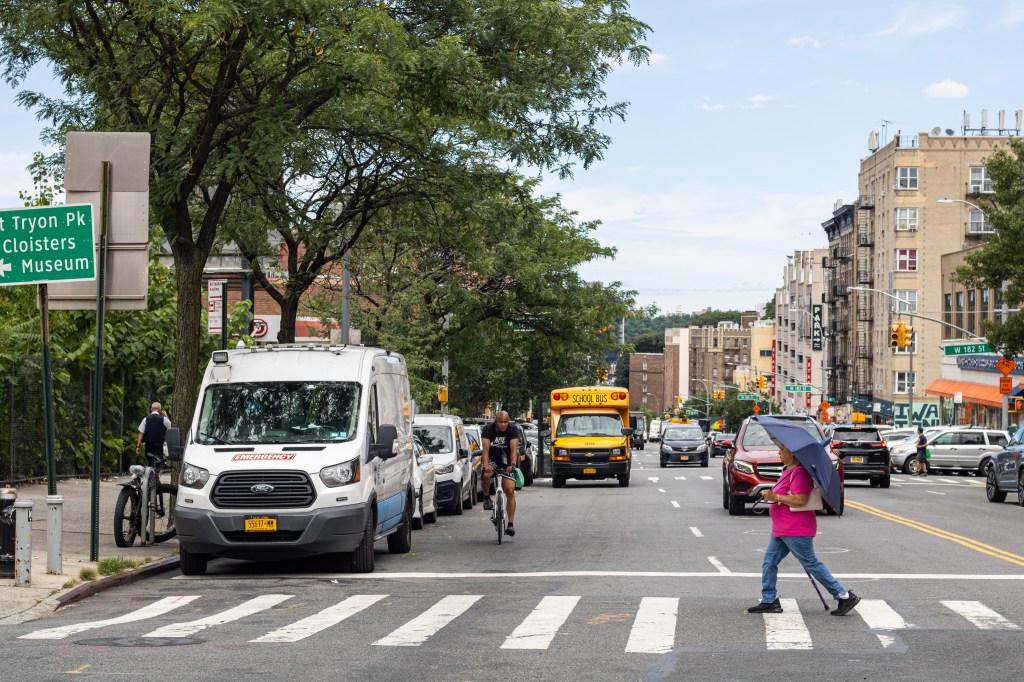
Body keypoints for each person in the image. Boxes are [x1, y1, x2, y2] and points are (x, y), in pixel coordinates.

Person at [747, 440, 860, 616]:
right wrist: (771, 495)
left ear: (792, 454)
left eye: (782, 450)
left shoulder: (799, 473)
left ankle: (844, 596)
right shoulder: (788, 471)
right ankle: (769, 600)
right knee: (769, 562)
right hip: (782, 529)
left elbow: (800, 500)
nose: (779, 453)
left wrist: (774, 496)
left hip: (795, 529)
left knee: (811, 564)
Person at [480, 411, 519, 536]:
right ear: (495, 421)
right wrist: (486, 465)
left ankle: (510, 524)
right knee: (486, 475)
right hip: (492, 460)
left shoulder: (513, 429)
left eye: (505, 422)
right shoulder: (488, 429)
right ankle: (486, 498)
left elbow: (513, 449)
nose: (503, 424)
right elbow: (485, 449)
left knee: (510, 490)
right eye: (500, 422)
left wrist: (512, 465)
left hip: (507, 462)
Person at [136, 402, 172, 467]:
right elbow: (171, 427)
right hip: (159, 444)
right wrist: (166, 416)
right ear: (159, 409)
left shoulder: (146, 419)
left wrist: (138, 446)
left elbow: (141, 433)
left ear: (151, 409)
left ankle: (150, 473)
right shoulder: (163, 419)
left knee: (150, 462)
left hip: (148, 445)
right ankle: (155, 475)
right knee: (157, 462)